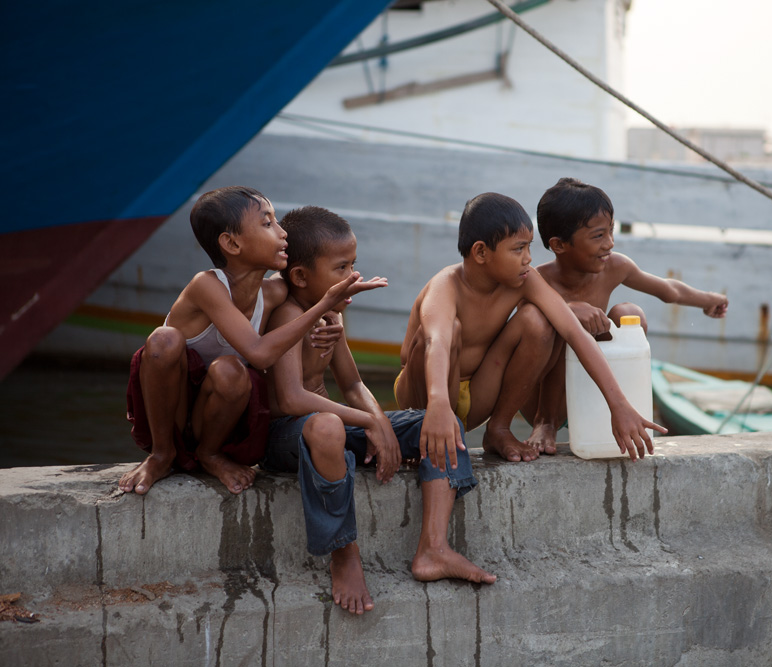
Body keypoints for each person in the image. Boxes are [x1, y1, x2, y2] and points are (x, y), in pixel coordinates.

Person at [262, 206, 495, 615]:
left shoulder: (330, 314)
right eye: (340, 268)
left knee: (439, 422)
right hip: (290, 438)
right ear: (300, 276)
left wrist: (383, 423)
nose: (352, 276)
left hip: (333, 427)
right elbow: (290, 399)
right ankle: (343, 553)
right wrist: (371, 421)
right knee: (328, 428)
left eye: (353, 264)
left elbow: (353, 384)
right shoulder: (288, 315)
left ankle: (434, 548)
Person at [119, 186, 377, 496]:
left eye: (277, 222)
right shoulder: (208, 285)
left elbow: (311, 289)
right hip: (171, 411)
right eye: (268, 224)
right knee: (163, 340)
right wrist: (324, 306)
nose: (283, 234)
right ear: (231, 243)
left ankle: (210, 454)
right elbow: (260, 355)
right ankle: (161, 456)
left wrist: (329, 320)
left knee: (230, 370)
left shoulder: (274, 293)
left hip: (216, 418)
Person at [393, 191, 667, 465]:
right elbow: (436, 342)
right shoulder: (446, 286)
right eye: (517, 249)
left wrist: (618, 405)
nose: (528, 259)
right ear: (480, 252)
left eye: (529, 247)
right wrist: (438, 404)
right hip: (427, 395)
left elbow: (574, 332)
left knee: (537, 320)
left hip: (477, 396)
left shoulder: (526, 279)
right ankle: (422, 430)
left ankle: (498, 429)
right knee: (448, 329)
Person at [527, 177, 729, 454]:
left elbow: (668, 290)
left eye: (611, 231)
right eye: (598, 236)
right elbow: (528, 333)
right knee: (560, 324)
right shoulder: (538, 280)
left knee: (628, 314)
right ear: (559, 245)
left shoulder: (615, 266)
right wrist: (568, 310)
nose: (609, 243)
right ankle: (545, 422)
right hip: (548, 397)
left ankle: (624, 411)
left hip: (596, 389)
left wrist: (709, 300)